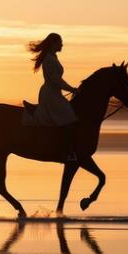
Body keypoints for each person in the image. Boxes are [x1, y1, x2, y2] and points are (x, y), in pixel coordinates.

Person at [28, 33, 78, 162]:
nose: (62, 45)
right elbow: (56, 81)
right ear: (53, 44)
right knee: (69, 118)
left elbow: (58, 80)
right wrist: (72, 89)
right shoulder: (49, 59)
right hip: (51, 94)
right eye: (59, 42)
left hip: (54, 93)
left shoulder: (52, 57)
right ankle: (65, 152)